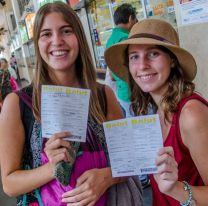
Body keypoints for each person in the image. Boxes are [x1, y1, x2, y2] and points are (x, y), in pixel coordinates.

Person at [0, 2, 143, 206]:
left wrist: (107, 176)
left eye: (66, 31)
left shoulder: (103, 94)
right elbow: (9, 183)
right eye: (46, 34)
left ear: (79, 37)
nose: (57, 41)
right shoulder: (17, 103)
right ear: (37, 43)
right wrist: (53, 167)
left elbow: (130, 158)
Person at [105, 19, 208, 205]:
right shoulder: (152, 111)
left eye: (153, 53)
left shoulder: (191, 113)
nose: (142, 65)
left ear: (173, 61)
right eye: (134, 56)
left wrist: (176, 188)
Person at [105, 3, 137, 117]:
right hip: (133, 92)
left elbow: (112, 74)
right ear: (130, 18)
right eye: (135, 19)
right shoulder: (126, 39)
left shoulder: (110, 40)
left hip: (121, 92)